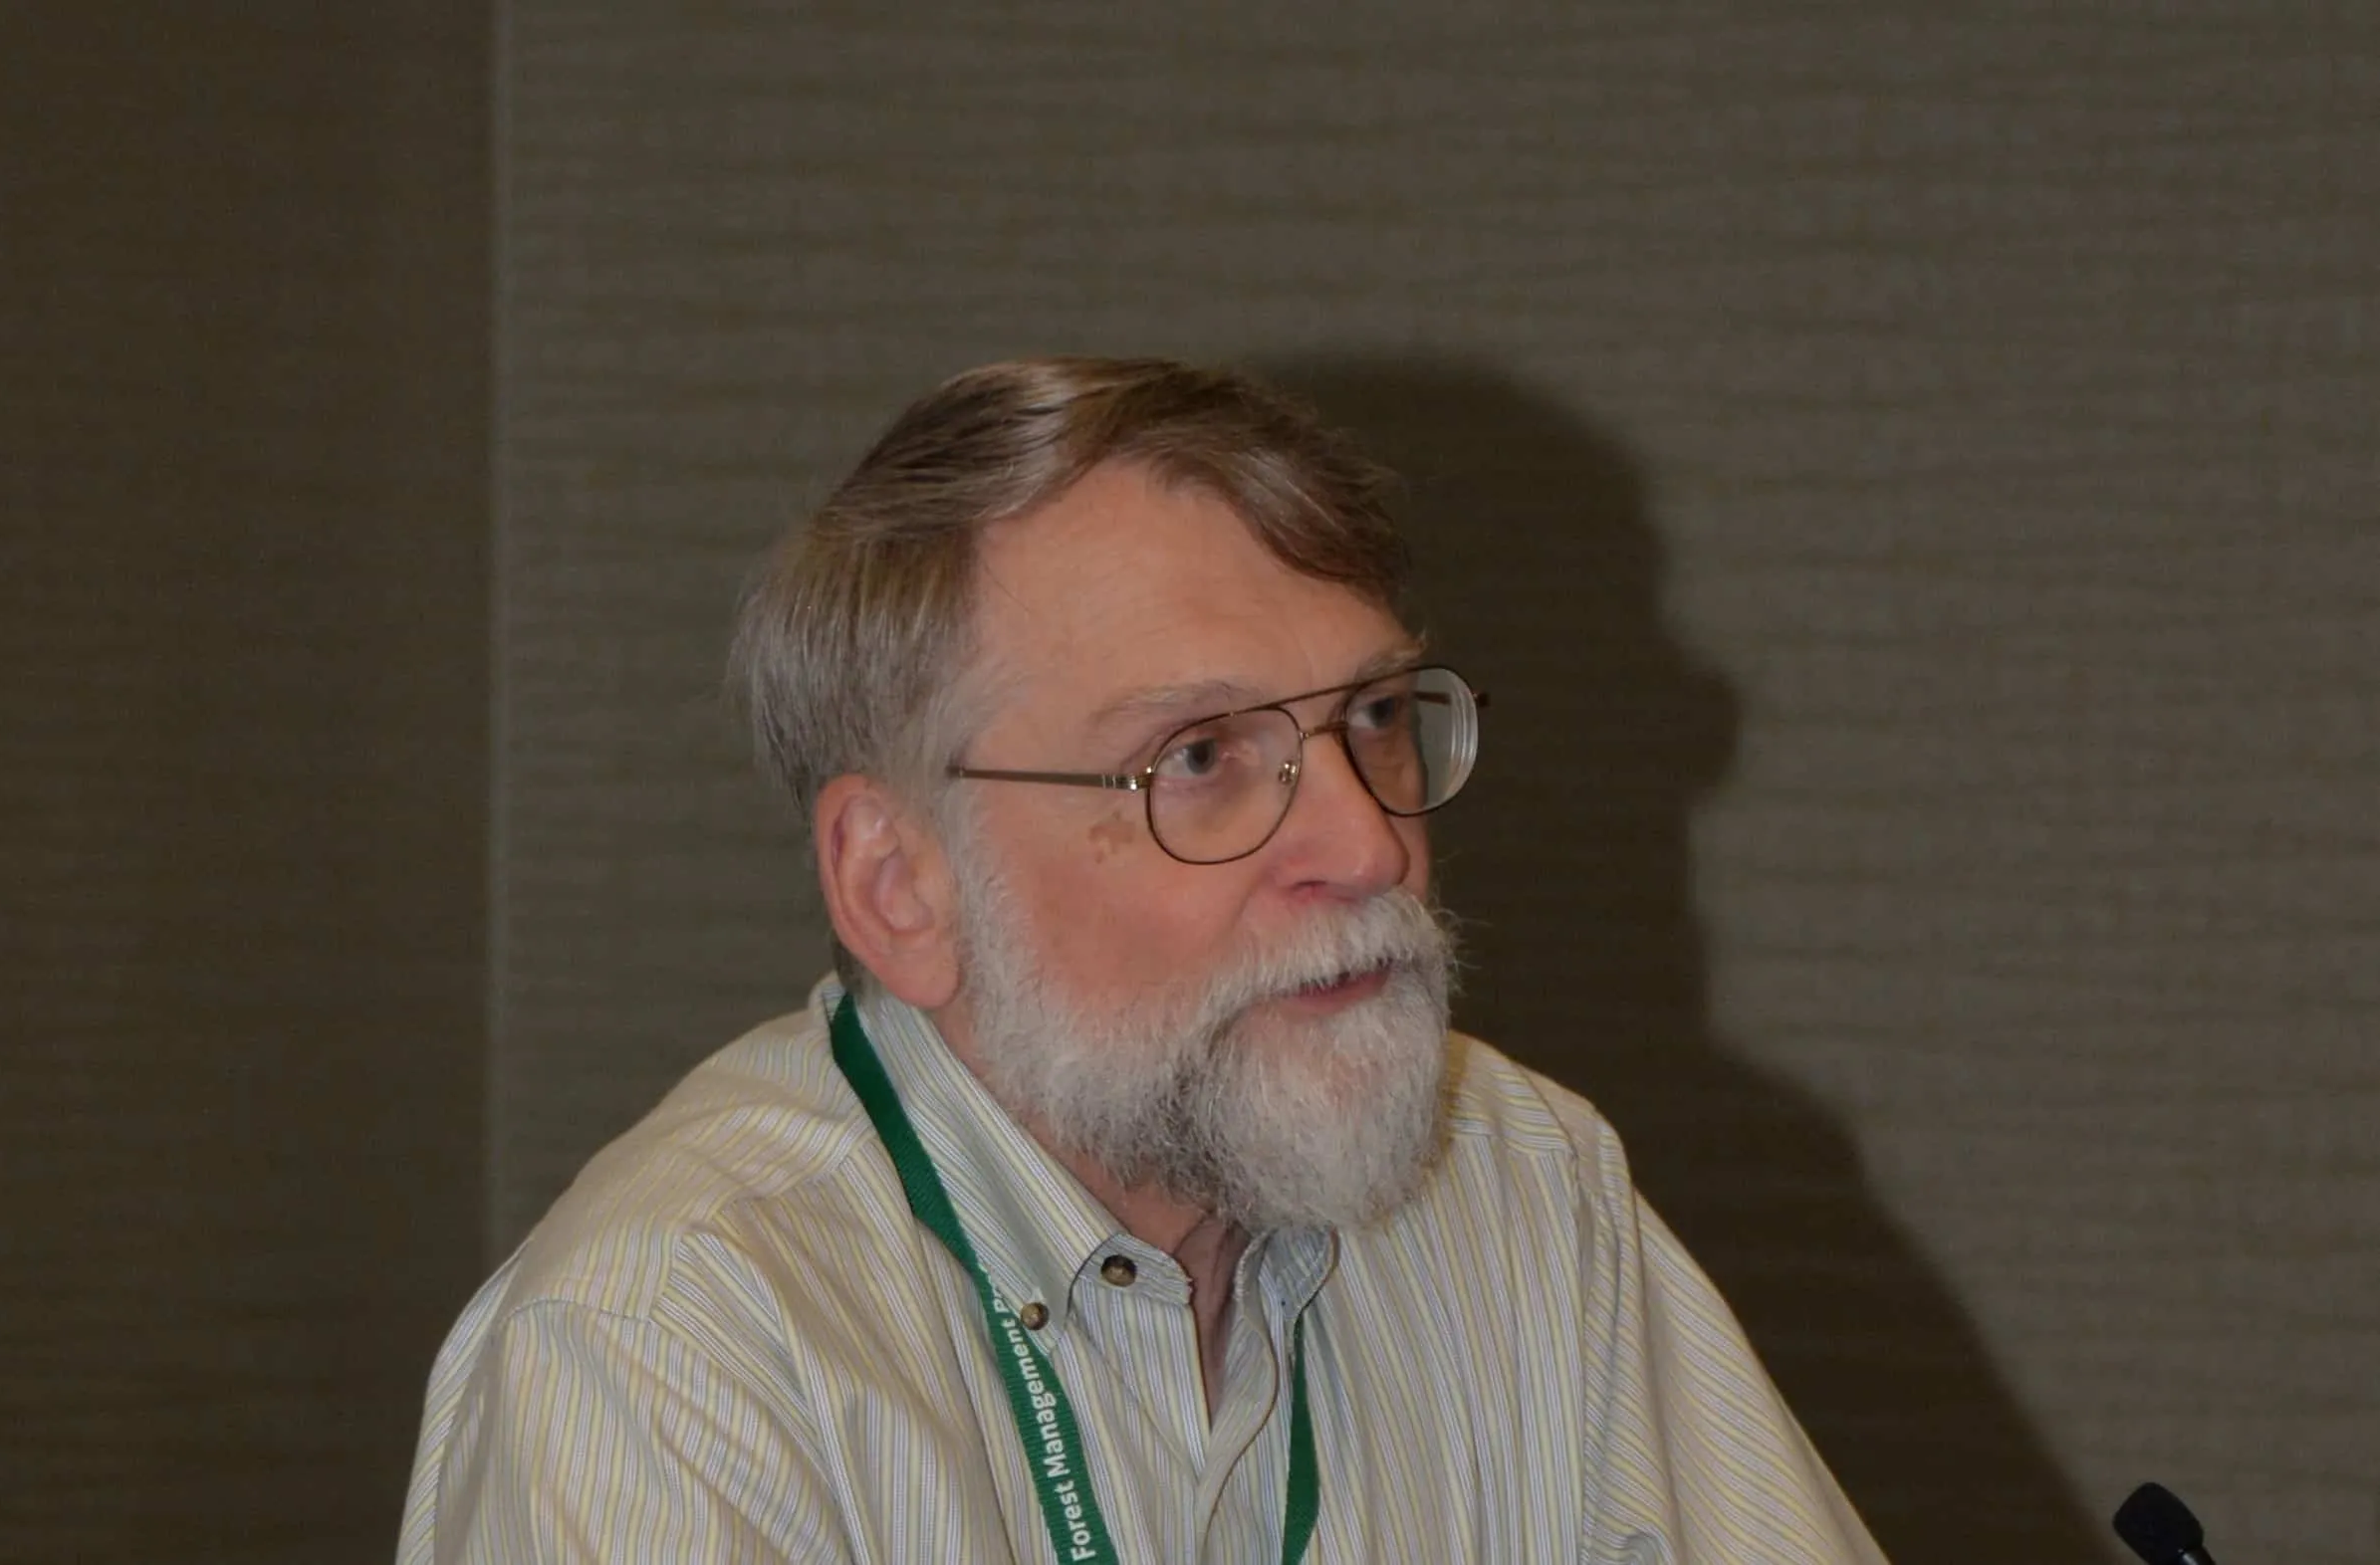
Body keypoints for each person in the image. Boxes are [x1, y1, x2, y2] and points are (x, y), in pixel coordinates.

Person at [396, 357, 1886, 1563]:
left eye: (1371, 718)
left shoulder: (1512, 1178)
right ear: (899, 885)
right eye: (1196, 757)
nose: (1366, 847)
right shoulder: (672, 1346)